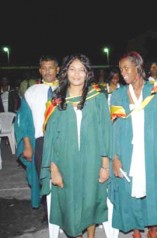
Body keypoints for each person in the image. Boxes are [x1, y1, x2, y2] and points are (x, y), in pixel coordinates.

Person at [39, 54, 111, 238]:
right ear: (65, 72)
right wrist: (53, 169)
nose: (77, 74)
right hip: (65, 161)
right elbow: (51, 138)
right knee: (70, 204)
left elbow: (105, 133)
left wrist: (105, 165)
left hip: (92, 159)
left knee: (91, 201)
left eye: (81, 69)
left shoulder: (98, 98)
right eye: (72, 69)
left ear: (87, 73)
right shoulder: (56, 101)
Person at [109, 51, 157, 238]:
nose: (122, 72)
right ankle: (136, 231)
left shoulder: (156, 93)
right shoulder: (118, 96)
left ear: (138, 67)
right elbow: (113, 130)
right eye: (121, 69)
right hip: (127, 151)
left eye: (126, 68)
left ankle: (152, 231)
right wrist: (115, 158)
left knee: (153, 191)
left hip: (152, 150)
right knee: (130, 191)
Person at [14, 55, 59, 217]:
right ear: (40, 70)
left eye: (51, 67)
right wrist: (27, 144)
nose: (47, 71)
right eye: (44, 68)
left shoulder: (67, 88)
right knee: (44, 177)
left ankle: (65, 212)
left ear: (58, 69)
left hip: (64, 141)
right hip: (41, 141)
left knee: (66, 177)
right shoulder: (31, 92)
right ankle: (48, 213)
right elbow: (24, 121)